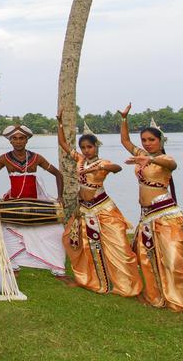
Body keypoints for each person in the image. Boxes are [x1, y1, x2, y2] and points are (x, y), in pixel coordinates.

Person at [120, 103, 183, 319]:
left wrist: (150, 158)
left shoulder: (164, 159)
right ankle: (155, 296)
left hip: (166, 216)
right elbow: (125, 141)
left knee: (174, 260)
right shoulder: (141, 153)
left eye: (152, 140)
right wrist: (124, 119)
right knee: (149, 259)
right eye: (145, 140)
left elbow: (172, 164)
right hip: (147, 217)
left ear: (160, 141)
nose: (147, 143)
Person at [57, 117, 141, 297]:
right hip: (83, 210)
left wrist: (100, 169)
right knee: (71, 240)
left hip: (103, 208)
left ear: (96, 146)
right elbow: (63, 143)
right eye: (84, 147)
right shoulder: (80, 160)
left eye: (90, 147)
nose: (86, 151)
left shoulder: (102, 163)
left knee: (118, 247)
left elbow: (117, 168)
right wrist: (60, 124)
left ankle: (128, 286)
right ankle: (88, 279)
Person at [0, 124, 66, 276]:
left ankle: (55, 264)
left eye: (21, 138)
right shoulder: (4, 159)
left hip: (35, 203)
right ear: (10, 141)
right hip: (13, 203)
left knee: (55, 231)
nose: (18, 141)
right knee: (5, 232)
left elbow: (58, 174)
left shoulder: (36, 158)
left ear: (27, 140)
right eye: (15, 138)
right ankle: (13, 263)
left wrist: (60, 197)